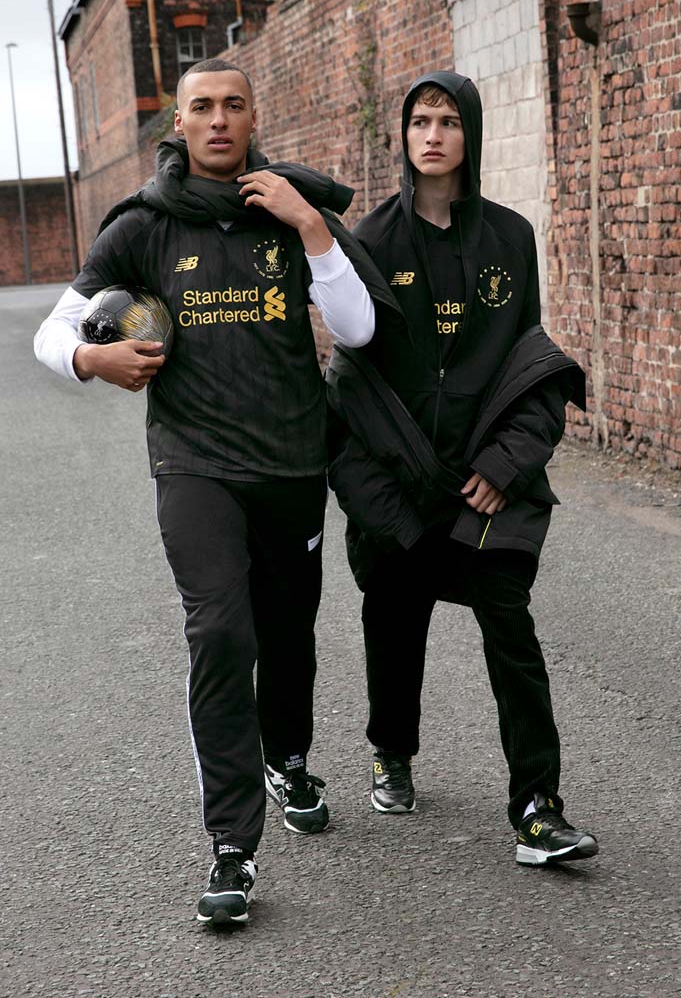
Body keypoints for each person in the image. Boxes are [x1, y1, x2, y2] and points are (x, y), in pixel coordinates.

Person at [34, 58, 394, 924]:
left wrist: (309, 225)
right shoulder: (144, 225)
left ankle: (287, 759)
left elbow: (359, 328)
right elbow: (53, 329)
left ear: (253, 118)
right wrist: (92, 357)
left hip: (291, 463)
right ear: (182, 124)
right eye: (204, 107)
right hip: (193, 464)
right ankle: (232, 845)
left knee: (288, 636)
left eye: (235, 105)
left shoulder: (289, 211)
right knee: (222, 635)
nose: (220, 119)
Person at [326, 70, 599, 867]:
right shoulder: (372, 241)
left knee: (512, 630)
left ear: (469, 135)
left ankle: (538, 808)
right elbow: (350, 390)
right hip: (401, 487)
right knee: (393, 618)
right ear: (404, 136)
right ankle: (392, 750)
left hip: (487, 488)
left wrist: (507, 465)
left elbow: (533, 367)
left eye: (448, 121)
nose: (434, 135)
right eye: (420, 121)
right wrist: (380, 501)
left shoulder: (510, 238)